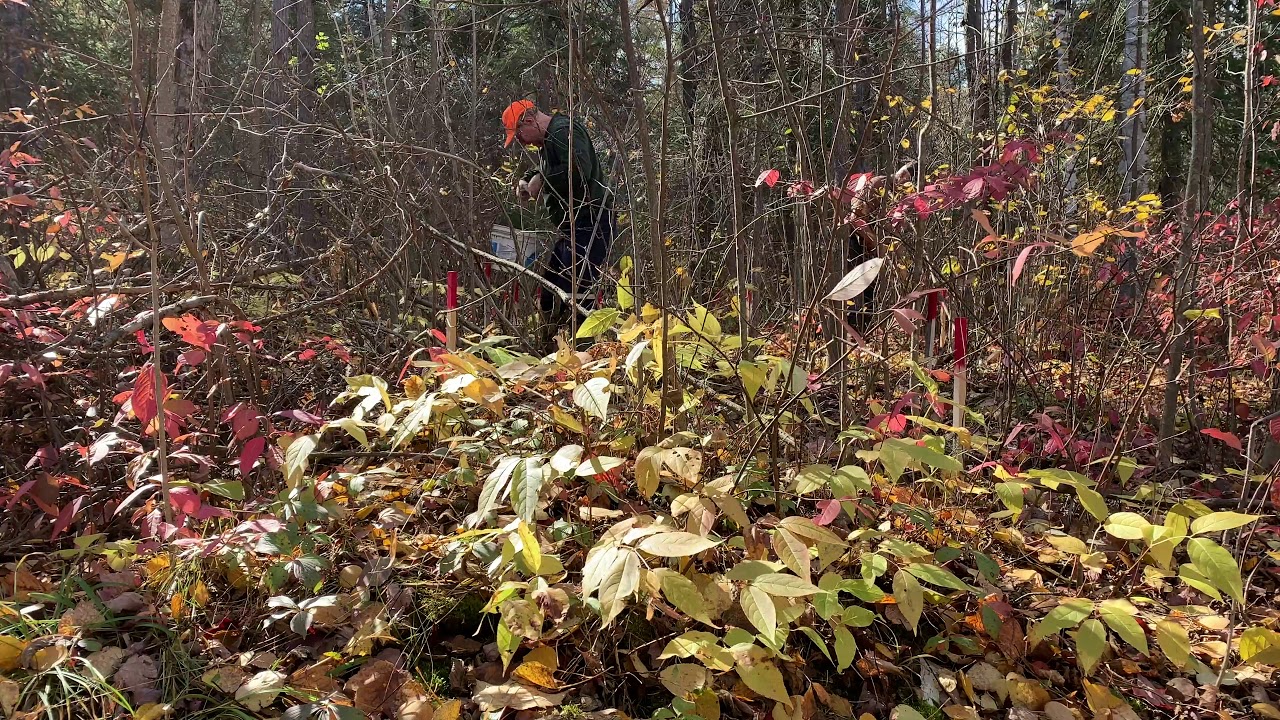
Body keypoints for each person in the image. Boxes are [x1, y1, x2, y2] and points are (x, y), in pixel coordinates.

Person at [502, 99, 614, 342]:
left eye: (519, 135)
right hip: (572, 226)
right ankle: (553, 345)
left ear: (529, 121)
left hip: (590, 222)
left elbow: (578, 169)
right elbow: (552, 166)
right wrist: (529, 178)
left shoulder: (563, 131)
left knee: (578, 293)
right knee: (551, 292)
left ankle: (587, 353)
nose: (522, 142)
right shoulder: (549, 139)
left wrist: (542, 178)